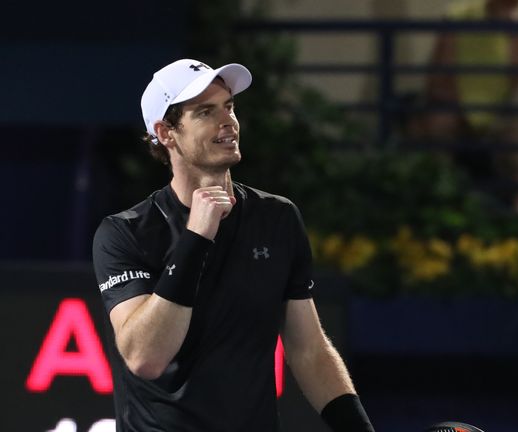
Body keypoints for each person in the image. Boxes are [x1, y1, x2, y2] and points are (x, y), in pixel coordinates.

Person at [92, 59, 375, 431]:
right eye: (205, 112)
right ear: (165, 133)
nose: (228, 122)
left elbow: (308, 349)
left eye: (229, 106)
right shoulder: (123, 233)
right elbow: (146, 357)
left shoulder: (278, 217)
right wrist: (196, 238)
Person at [417, 0, 518, 215]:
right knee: (440, 118)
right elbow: (439, 76)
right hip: (465, 115)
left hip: (514, 118)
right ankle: (439, 200)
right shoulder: (460, 16)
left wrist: (516, 38)